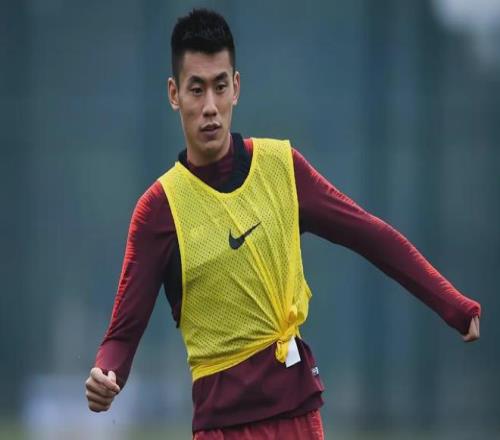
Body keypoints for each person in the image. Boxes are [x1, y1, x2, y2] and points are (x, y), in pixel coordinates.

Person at [84, 8, 481, 440]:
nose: (210, 107)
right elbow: (122, 334)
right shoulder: (159, 209)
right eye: (196, 90)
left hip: (297, 415)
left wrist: (453, 305)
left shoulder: (282, 168)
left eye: (220, 86)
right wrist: (107, 375)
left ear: (237, 87)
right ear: (174, 94)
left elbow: (370, 235)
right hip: (220, 427)